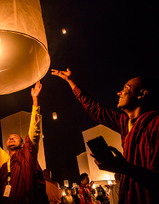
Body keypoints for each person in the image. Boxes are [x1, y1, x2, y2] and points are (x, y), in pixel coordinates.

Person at [52, 68, 159, 204]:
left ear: (142, 94)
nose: (118, 92)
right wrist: (71, 82)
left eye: (125, 88)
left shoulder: (155, 124)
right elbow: (95, 109)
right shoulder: (125, 123)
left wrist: (123, 167)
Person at [0, 81, 49, 204]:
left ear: (23, 144)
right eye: (9, 137)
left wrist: (35, 100)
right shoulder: (4, 159)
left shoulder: (28, 152)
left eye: (15, 137)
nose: (11, 138)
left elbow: (34, 130)